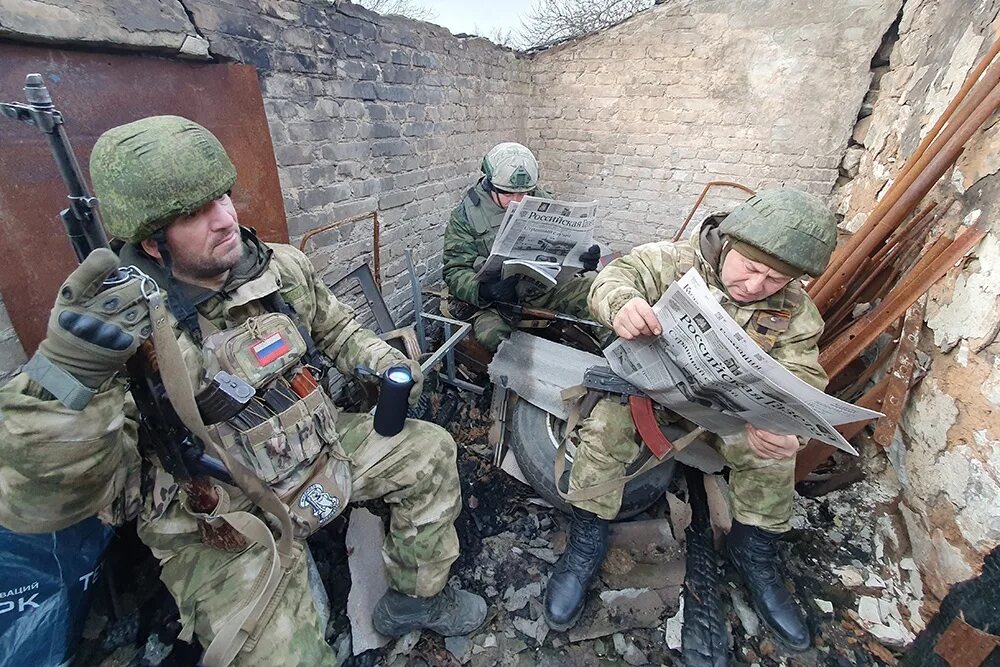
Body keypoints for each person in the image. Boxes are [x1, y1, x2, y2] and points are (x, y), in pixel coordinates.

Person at [0, 116, 486, 666]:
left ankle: (413, 600)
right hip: (217, 514)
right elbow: (35, 501)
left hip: (316, 446)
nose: (226, 219)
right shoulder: (125, 330)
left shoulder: (280, 268)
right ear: (151, 242)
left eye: (223, 197)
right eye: (194, 213)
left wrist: (380, 361)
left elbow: (338, 329)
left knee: (428, 451)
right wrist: (70, 375)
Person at [544, 188, 837, 652]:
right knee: (602, 431)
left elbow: (802, 376)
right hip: (651, 395)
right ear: (730, 241)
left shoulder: (796, 311)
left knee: (770, 456)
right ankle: (587, 540)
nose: (757, 286)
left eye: (776, 279)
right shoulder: (671, 261)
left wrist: (790, 429)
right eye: (751, 267)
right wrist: (621, 305)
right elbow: (613, 279)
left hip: (723, 415)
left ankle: (753, 551)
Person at [442, 142, 602, 352]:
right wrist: (484, 291)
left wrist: (583, 259)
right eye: (508, 194)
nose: (516, 201)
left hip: (541, 289)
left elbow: (560, 245)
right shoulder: (466, 215)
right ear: (490, 184)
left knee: (599, 292)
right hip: (494, 303)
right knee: (493, 338)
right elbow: (454, 270)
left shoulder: (543, 199)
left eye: (525, 193)